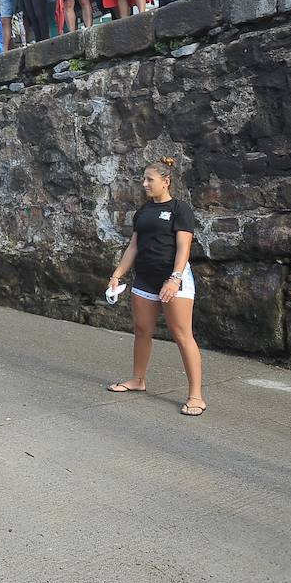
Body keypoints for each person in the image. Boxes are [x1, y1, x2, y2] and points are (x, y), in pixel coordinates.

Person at [104, 157, 205, 417]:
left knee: (182, 334)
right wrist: (117, 275)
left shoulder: (180, 210)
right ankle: (138, 380)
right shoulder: (144, 211)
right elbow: (134, 246)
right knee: (141, 330)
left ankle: (196, 395)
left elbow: (184, 247)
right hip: (145, 279)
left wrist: (174, 279)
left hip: (173, 278)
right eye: (144, 179)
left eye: (150, 179)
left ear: (166, 182)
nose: (144, 184)